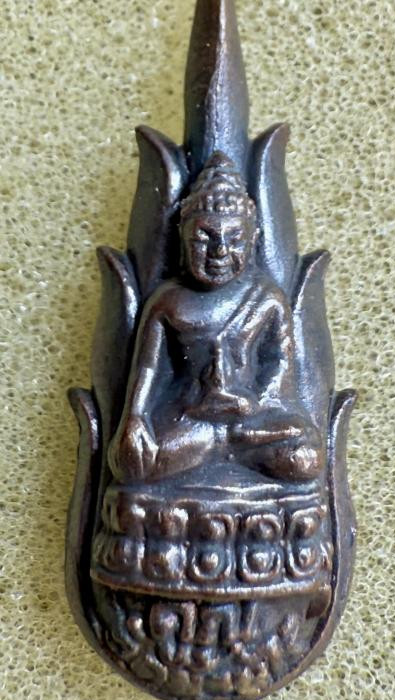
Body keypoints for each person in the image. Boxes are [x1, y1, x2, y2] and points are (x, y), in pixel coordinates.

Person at [108, 152, 324, 485]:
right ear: (183, 238)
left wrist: (252, 403)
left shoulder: (267, 297)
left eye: (235, 239)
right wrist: (135, 417)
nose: (219, 251)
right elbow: (148, 368)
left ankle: (228, 443)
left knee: (306, 457)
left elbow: (280, 362)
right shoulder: (167, 301)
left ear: (253, 239)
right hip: (190, 416)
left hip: (250, 419)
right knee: (133, 464)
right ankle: (223, 444)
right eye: (204, 238)